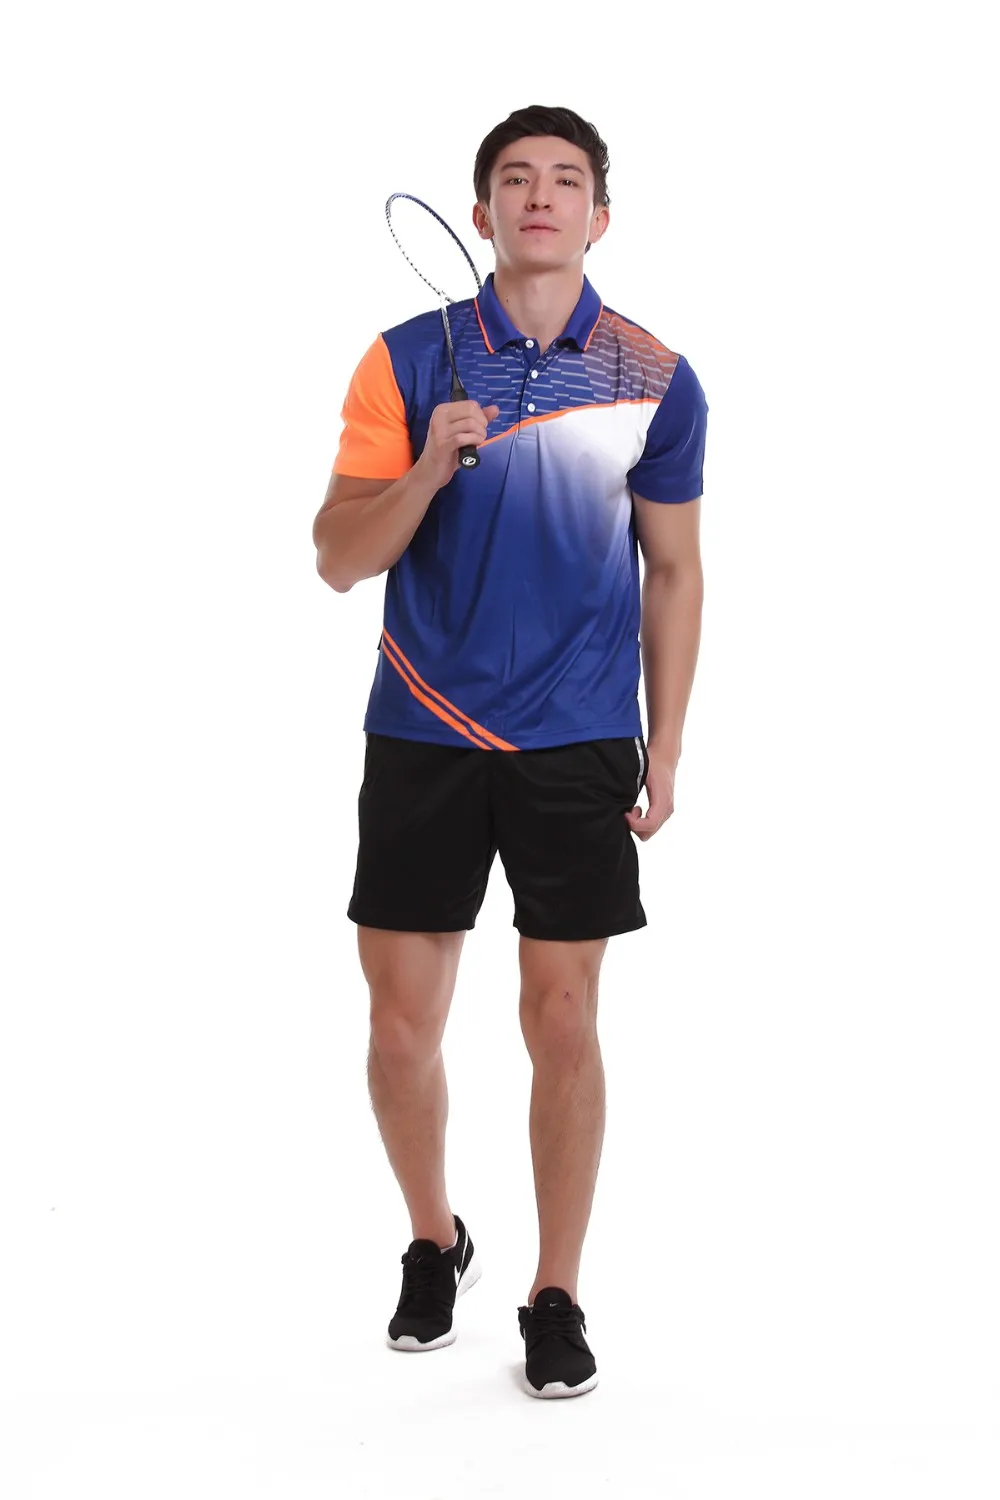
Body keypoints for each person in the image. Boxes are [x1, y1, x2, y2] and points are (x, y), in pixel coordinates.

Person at [312, 104, 708, 1399]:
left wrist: (667, 745)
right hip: (423, 728)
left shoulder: (657, 377)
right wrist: (427, 468)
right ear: (481, 213)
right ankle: (436, 1240)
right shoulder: (405, 360)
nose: (542, 196)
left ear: (602, 215)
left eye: (567, 179)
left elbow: (673, 569)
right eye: (517, 179)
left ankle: (556, 1291)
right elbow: (338, 559)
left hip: (578, 738)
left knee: (566, 1021)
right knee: (400, 1028)